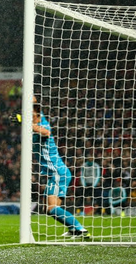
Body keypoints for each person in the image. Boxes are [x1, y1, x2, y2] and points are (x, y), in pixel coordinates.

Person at [32, 97, 89, 238]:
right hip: (59, 173)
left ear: (37, 115)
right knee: (51, 209)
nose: (29, 116)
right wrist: (25, 86)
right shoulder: (38, 119)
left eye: (30, 114)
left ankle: (79, 229)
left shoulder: (42, 126)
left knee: (51, 208)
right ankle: (74, 229)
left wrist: (24, 122)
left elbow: (46, 133)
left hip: (58, 173)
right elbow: (33, 101)